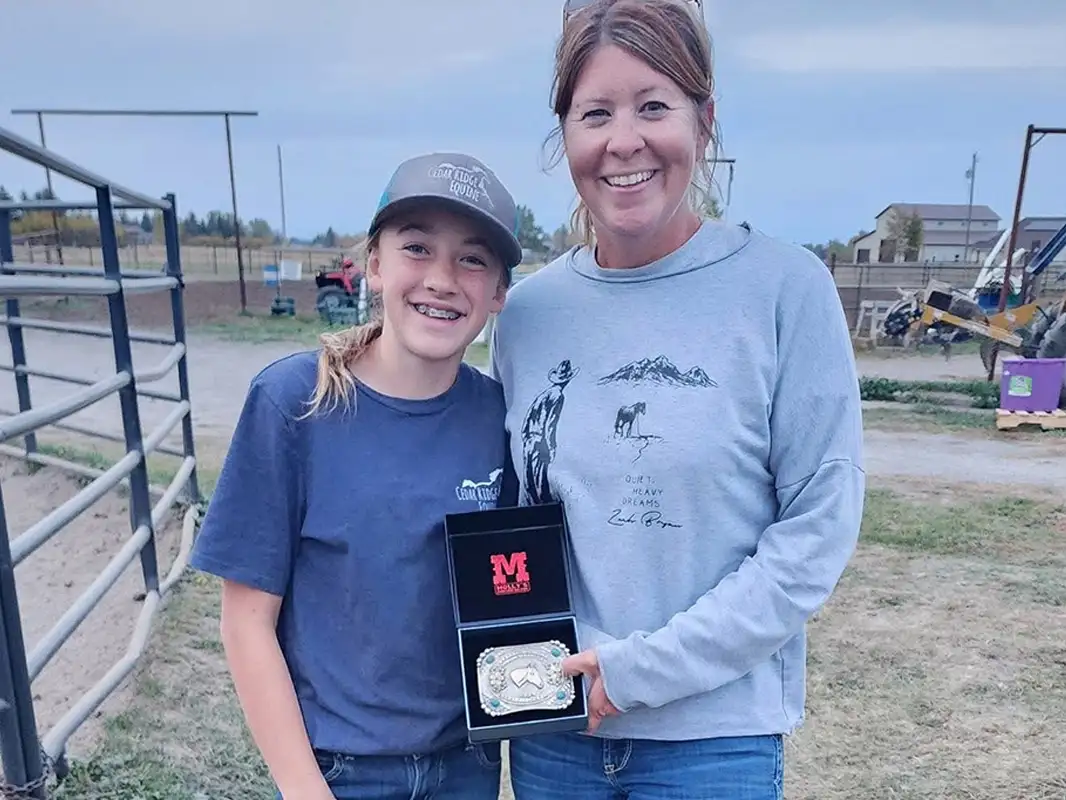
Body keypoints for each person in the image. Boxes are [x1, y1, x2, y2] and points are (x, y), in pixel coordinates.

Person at [489, 0, 865, 797]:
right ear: (566, 137)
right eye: (596, 113)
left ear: (705, 120)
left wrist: (635, 670)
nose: (624, 140)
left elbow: (814, 531)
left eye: (653, 105)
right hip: (559, 729)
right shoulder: (527, 315)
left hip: (713, 741)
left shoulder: (783, 290)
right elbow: (516, 519)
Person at [189, 152, 523, 800]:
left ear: (500, 291)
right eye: (417, 248)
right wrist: (304, 788)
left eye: (473, 259)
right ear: (374, 264)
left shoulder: (500, 419)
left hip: (466, 768)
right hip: (340, 772)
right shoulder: (294, 404)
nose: (443, 279)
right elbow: (246, 622)